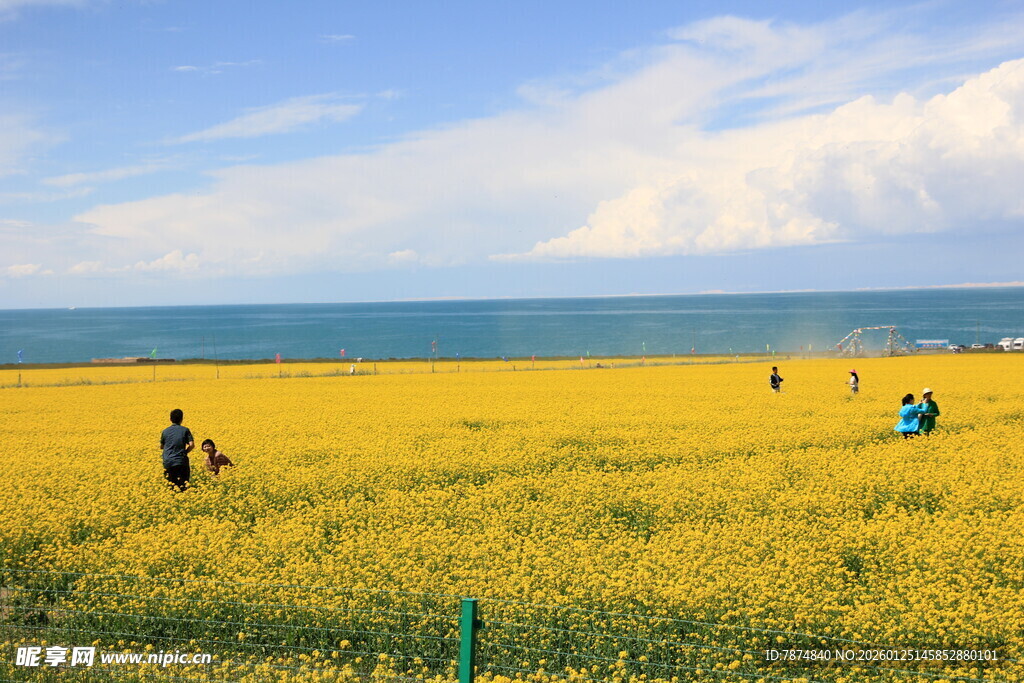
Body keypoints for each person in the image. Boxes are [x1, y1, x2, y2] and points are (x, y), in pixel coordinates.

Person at [160, 408, 194, 491]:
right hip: (181, 460)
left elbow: (161, 446)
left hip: (168, 461)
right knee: (183, 486)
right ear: (182, 419)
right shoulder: (185, 430)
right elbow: (192, 445)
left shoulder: (165, 431)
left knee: (171, 486)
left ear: (170, 419)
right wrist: (185, 452)